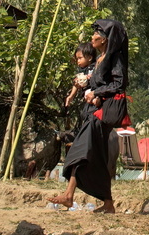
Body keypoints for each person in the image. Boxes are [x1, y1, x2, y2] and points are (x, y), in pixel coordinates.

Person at [48, 19, 130, 213]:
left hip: (100, 115)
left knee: (80, 149)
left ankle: (69, 195)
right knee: (97, 157)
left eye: (96, 34)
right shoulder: (100, 58)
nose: (92, 37)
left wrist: (97, 93)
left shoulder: (114, 58)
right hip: (92, 112)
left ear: (104, 39)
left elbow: (120, 84)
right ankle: (108, 203)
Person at [63, 41, 96, 112]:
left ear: (90, 58)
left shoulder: (96, 67)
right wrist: (71, 96)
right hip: (87, 97)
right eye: (77, 59)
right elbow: (76, 84)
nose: (78, 61)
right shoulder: (81, 70)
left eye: (80, 58)